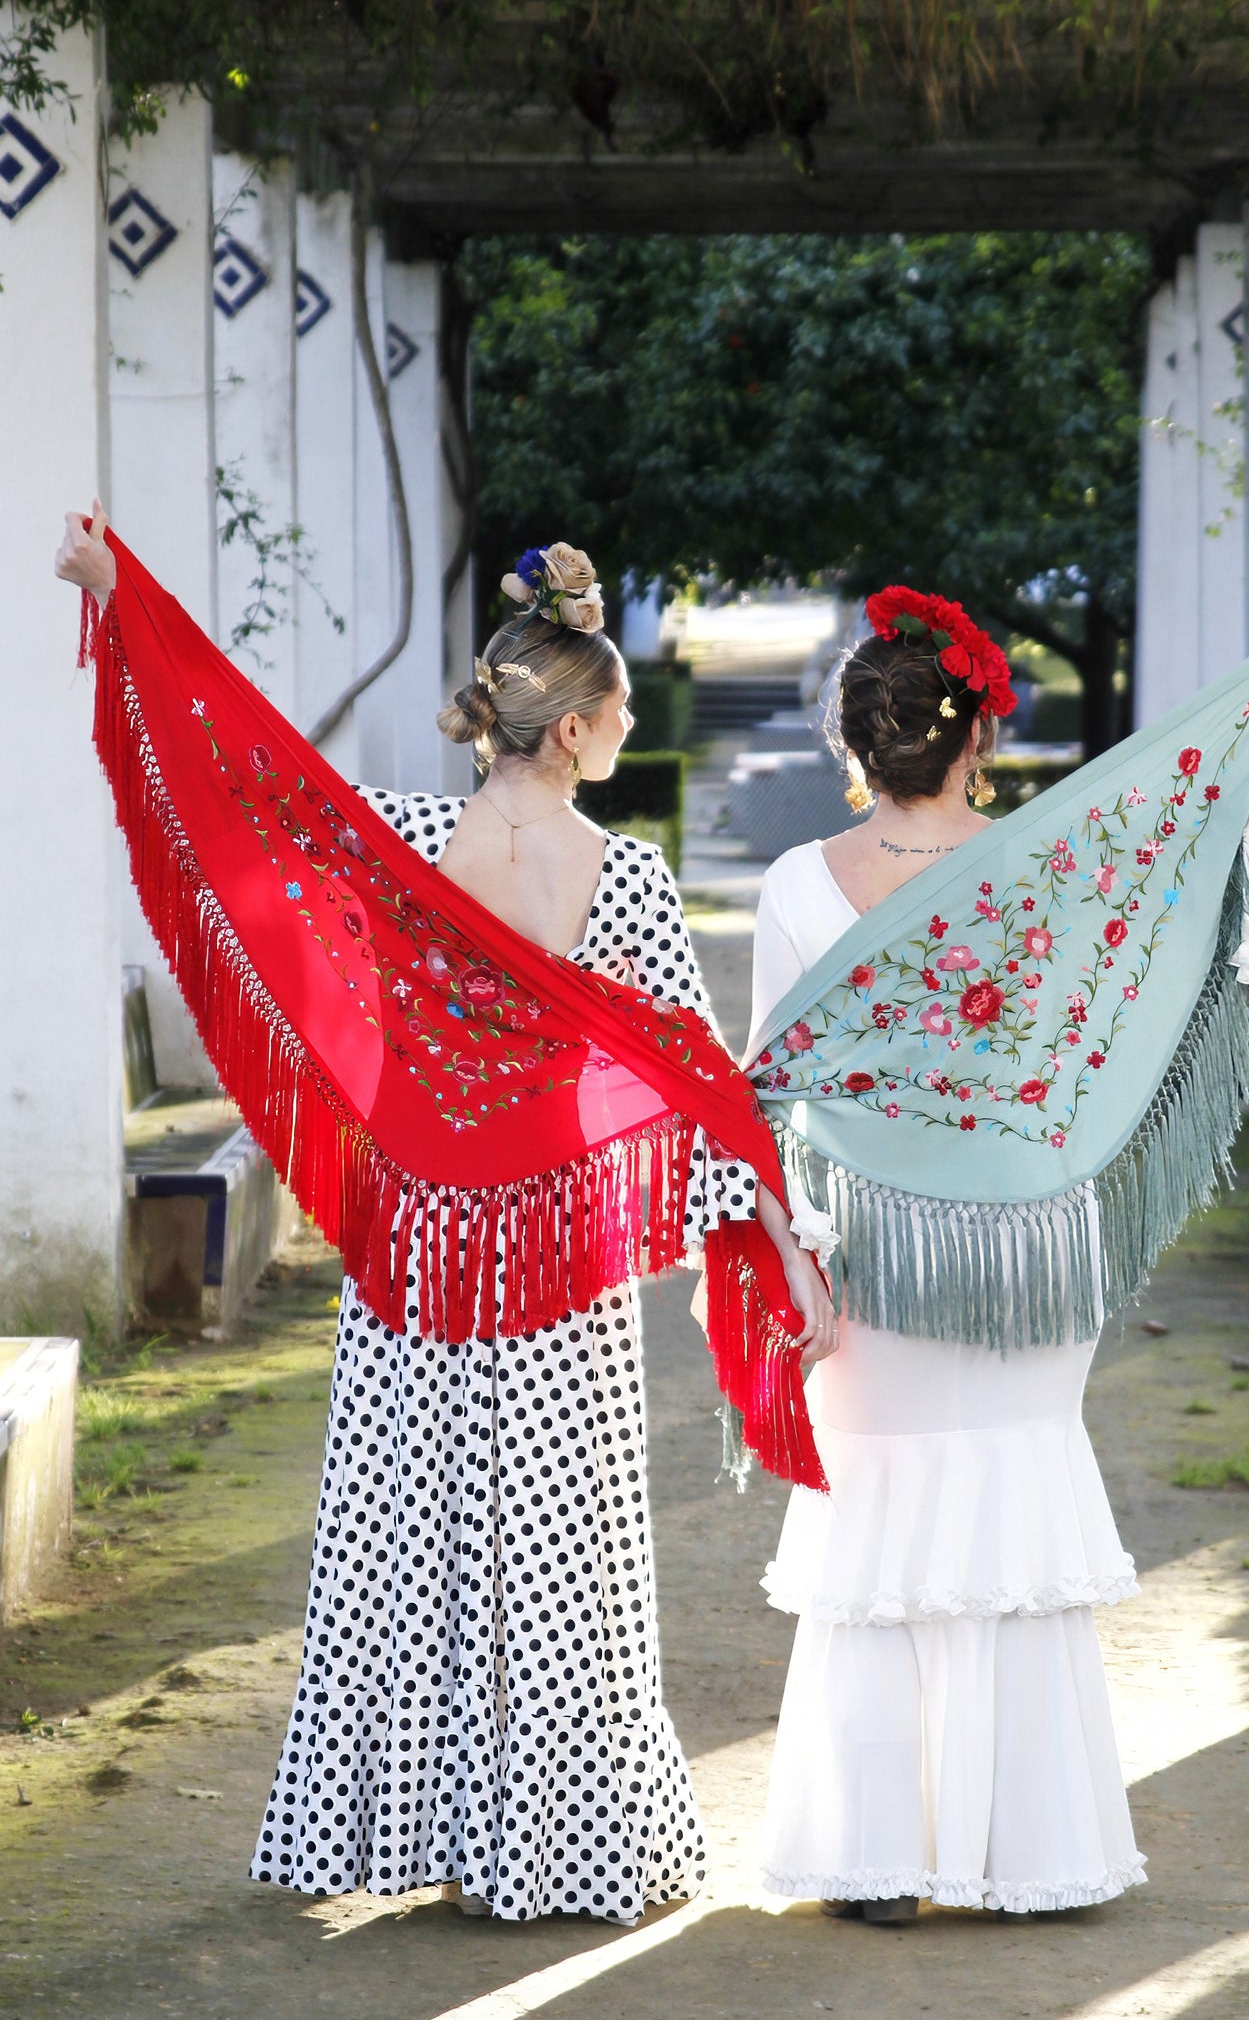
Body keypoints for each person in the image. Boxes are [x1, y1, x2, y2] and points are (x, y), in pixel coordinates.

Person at [54, 510, 834, 1925]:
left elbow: (250, 784)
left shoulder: (403, 847)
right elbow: (703, 1092)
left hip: (418, 1259)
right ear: (576, 728)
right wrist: (794, 1260)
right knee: (559, 1560)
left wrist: (125, 602)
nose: (628, 725)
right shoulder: (627, 882)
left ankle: (413, 1832)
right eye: (620, 708)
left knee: (403, 1543)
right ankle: (555, 1846)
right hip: (553, 1268)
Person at [741, 574, 1249, 1923]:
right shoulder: (1057, 866)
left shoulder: (795, 886)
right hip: (1033, 1260)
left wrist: (787, 1262)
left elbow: (759, 1099)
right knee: (1010, 1517)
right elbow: (1216, 843)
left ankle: (877, 1858)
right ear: (978, 734)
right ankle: (1025, 1854)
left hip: (874, 1260)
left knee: (883, 1540)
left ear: (853, 743)